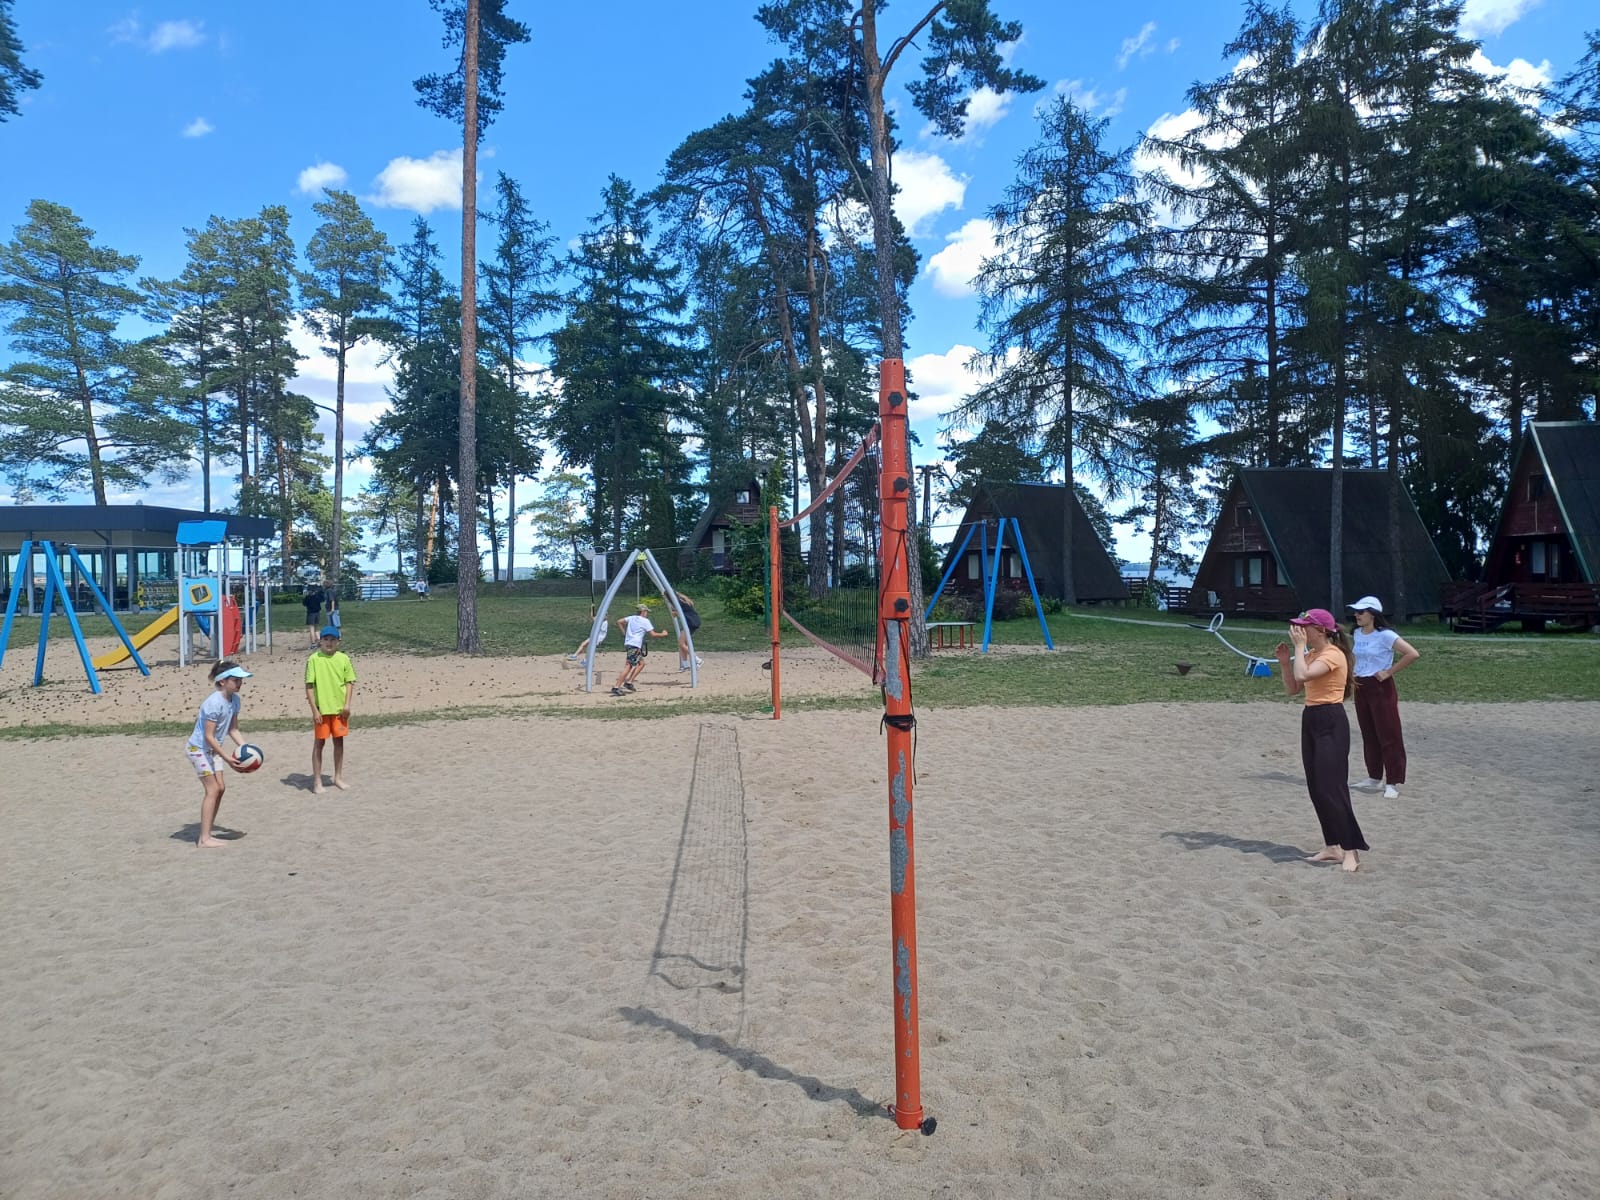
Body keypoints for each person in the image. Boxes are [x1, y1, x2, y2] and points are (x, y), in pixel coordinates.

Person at [1275, 607, 1368, 874]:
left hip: (1331, 720)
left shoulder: (1333, 654)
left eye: (1304, 627)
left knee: (1332, 786)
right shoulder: (1312, 655)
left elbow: (1303, 675)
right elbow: (1293, 688)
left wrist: (1299, 648)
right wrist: (1285, 662)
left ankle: (1351, 850)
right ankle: (1332, 846)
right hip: (1311, 718)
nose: (1299, 630)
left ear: (1321, 630)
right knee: (1316, 786)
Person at [1347, 595, 1420, 800]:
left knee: (1389, 734)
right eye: (1356, 612)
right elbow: (1357, 658)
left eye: (1361, 612)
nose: (1357, 615)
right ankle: (1374, 776)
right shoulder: (1357, 633)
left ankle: (1392, 781)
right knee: (1369, 733)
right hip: (1361, 685)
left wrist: (1388, 672)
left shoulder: (1386, 635)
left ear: (1373, 614)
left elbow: (1412, 653)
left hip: (1380, 687)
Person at [187, 660, 252, 848]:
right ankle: (204, 839)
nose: (240, 683)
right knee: (213, 789)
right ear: (222, 681)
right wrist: (227, 759)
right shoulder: (214, 703)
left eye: (241, 680)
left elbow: (233, 729)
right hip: (198, 749)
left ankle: (207, 832)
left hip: (213, 750)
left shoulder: (235, 700)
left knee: (220, 788)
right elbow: (209, 736)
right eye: (236, 680)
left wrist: (246, 748)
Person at [305, 624, 356, 793]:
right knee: (319, 743)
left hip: (339, 710)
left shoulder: (344, 659)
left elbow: (349, 682)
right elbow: (309, 686)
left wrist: (347, 705)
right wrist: (315, 710)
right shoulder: (314, 659)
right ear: (320, 641)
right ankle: (317, 781)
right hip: (322, 709)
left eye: (333, 639)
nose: (329, 642)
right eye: (326, 639)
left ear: (338, 642)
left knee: (339, 743)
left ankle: (338, 777)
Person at [610, 601, 668, 696]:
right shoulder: (645, 621)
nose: (647, 613)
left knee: (641, 664)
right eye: (646, 611)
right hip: (634, 645)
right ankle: (616, 687)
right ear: (643, 612)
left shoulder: (632, 618)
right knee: (628, 666)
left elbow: (619, 621)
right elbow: (653, 634)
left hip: (629, 644)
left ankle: (629, 682)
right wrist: (663, 634)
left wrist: (624, 633)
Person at [675, 591, 705, 672]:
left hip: (690, 623)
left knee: (681, 643)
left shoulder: (679, 601)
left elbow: (680, 613)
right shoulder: (681, 600)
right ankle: (685, 665)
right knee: (682, 644)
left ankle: (697, 659)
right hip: (689, 622)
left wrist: (675, 613)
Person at [302, 582, 325, 647]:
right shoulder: (317, 596)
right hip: (317, 613)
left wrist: (306, 596)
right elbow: (322, 599)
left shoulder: (308, 597)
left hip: (311, 613)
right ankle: (319, 641)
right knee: (316, 628)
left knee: (311, 628)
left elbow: (304, 603)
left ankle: (313, 643)